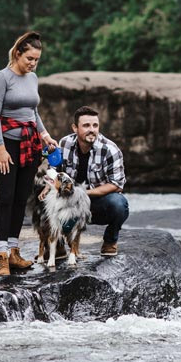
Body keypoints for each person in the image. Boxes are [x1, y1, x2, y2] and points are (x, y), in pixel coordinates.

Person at [0, 31, 59, 276]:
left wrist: (45, 135)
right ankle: (1, 255)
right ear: (18, 53)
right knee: (5, 197)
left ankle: (14, 252)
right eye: (30, 58)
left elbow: (33, 113)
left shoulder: (32, 78)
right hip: (8, 146)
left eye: (37, 59)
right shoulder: (2, 78)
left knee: (21, 199)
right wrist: (0, 149)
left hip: (30, 144)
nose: (33, 63)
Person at [57, 106, 128, 256]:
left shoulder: (110, 149)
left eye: (95, 125)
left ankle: (110, 241)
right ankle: (58, 244)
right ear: (75, 128)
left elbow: (116, 185)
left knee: (119, 204)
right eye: (86, 125)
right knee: (44, 197)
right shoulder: (64, 144)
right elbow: (55, 173)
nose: (92, 130)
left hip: (95, 204)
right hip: (68, 202)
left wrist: (83, 193)